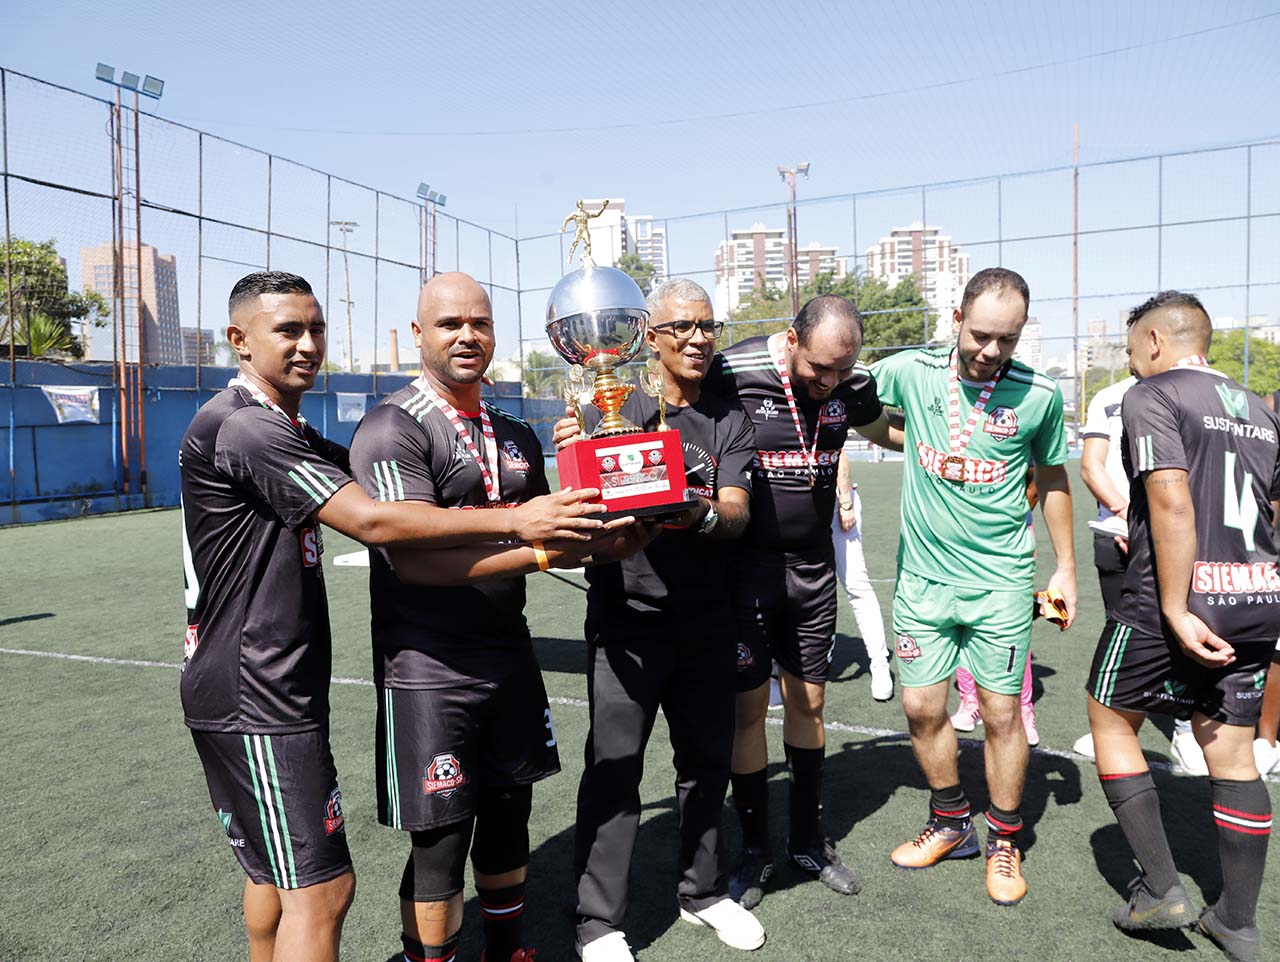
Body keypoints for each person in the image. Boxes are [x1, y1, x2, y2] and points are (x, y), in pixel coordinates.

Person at [179, 271, 608, 962]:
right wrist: (523, 525)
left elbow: (384, 494)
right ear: (239, 339)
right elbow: (378, 521)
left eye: (315, 329)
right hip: (254, 688)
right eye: (287, 330)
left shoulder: (282, 428)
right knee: (322, 892)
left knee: (273, 878)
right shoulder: (248, 426)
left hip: (272, 681)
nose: (308, 344)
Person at [348, 272, 642, 962]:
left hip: (509, 653)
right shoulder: (392, 426)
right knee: (441, 841)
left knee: (510, 817)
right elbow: (412, 560)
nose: (466, 336)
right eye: (449, 324)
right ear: (419, 334)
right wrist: (533, 542)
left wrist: (625, 529)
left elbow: (553, 532)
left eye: (479, 324)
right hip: (429, 669)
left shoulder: (512, 433)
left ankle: (508, 952)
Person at [552, 279, 764, 962]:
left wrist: (693, 511)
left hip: (708, 620)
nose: (698, 339)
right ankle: (597, 923)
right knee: (614, 771)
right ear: (649, 337)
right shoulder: (611, 406)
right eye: (682, 327)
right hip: (628, 620)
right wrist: (575, 451)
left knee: (706, 764)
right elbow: (583, 512)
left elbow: (736, 513)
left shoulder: (729, 419)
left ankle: (703, 892)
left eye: (708, 326)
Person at [871, 267, 1076, 906]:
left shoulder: (1039, 394)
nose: (991, 351)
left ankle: (1005, 839)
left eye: (1007, 339)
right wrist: (901, 436)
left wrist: (1065, 568)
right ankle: (951, 822)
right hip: (922, 580)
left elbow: (1054, 478)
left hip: (1000, 583)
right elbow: (856, 401)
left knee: (1000, 713)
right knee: (921, 708)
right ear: (956, 319)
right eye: (981, 335)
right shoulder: (911, 370)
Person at [1085, 291, 1280, 962]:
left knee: (1110, 718)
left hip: (1164, 600)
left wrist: (1175, 604)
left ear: (1156, 341)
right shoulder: (1259, 407)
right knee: (1233, 753)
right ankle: (1238, 922)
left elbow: (1170, 500)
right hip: (1253, 597)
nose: (1130, 362)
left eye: (1131, 348)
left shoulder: (1154, 394)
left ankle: (1160, 889)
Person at [702, 294, 902, 909]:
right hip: (746, 572)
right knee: (746, 714)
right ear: (791, 340)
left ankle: (809, 840)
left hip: (813, 572)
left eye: (842, 368)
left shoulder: (851, 385)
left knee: (809, 704)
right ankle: (754, 848)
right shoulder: (731, 369)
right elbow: (674, 411)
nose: (829, 382)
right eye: (819, 367)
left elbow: (889, 431)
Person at [1071, 373, 1210, 774]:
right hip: (1118, 531)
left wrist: (1149, 530)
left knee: (1184, 630)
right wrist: (1127, 516)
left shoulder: (1195, 393)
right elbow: (1091, 466)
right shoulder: (1110, 397)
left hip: (1178, 537)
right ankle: (1117, 726)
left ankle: (1184, 729)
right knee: (1122, 630)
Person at [951, 467, 1043, 746]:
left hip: (1010, 536)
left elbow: (1036, 480)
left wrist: (1007, 523)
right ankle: (970, 701)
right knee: (963, 618)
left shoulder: (1019, 439)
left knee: (1014, 623)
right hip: (962, 536)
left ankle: (1023, 709)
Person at [832, 448, 893, 701]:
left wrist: (845, 502)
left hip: (835, 503)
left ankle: (879, 663)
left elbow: (838, 452)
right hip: (793, 506)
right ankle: (778, 670)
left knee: (856, 584)